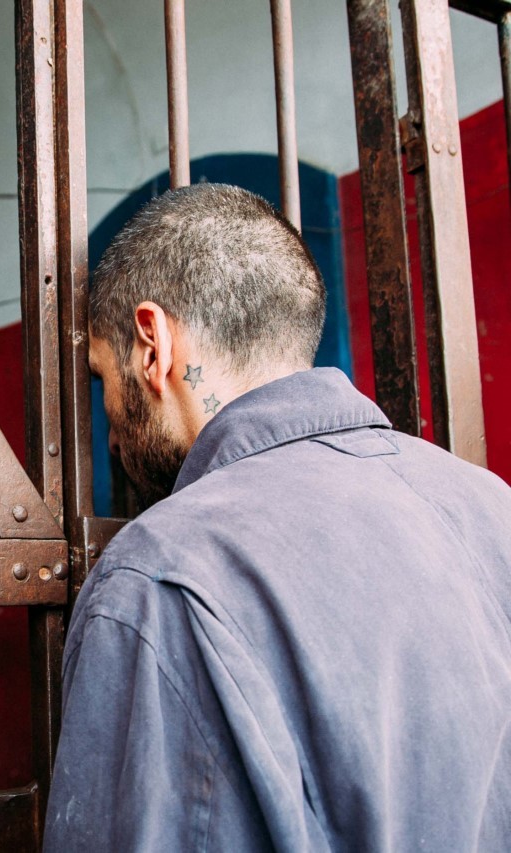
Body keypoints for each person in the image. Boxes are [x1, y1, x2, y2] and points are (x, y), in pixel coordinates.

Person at [44, 183, 511, 851]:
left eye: (100, 375)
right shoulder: (489, 503)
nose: (110, 425)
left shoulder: (157, 576)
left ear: (152, 344)